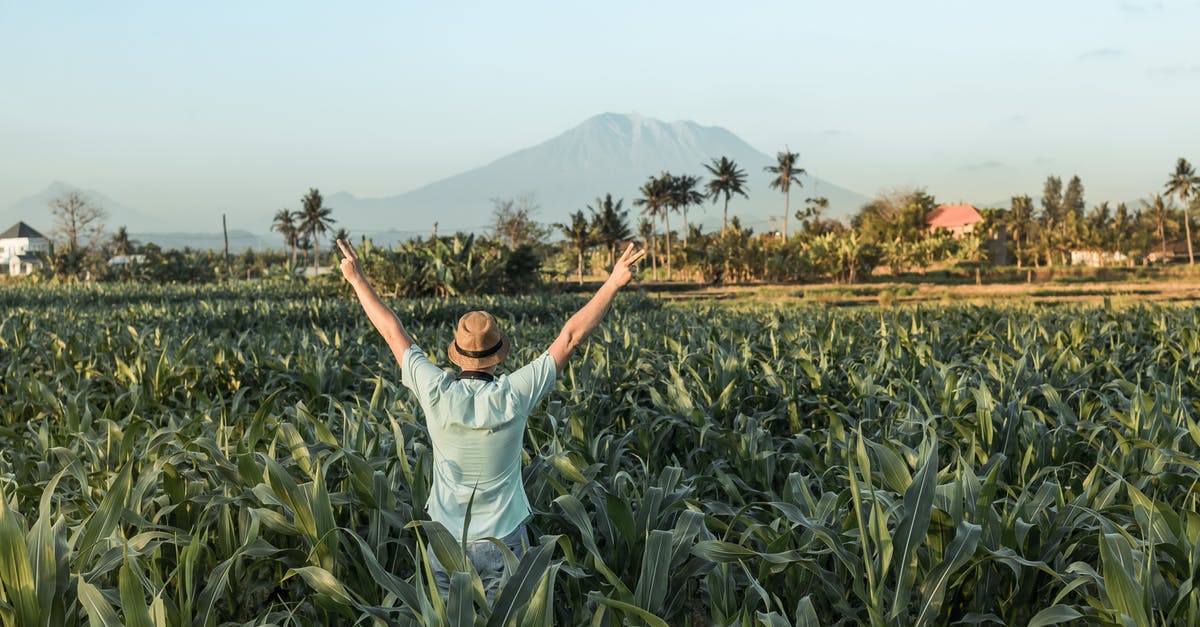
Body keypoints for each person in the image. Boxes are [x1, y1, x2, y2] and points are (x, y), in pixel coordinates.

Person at [335, 238, 646, 604]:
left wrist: (357, 280)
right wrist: (612, 283)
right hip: (503, 543)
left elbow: (391, 330)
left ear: (457, 354)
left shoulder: (435, 390)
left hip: (445, 541)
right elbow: (571, 337)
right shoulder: (514, 393)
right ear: (497, 356)